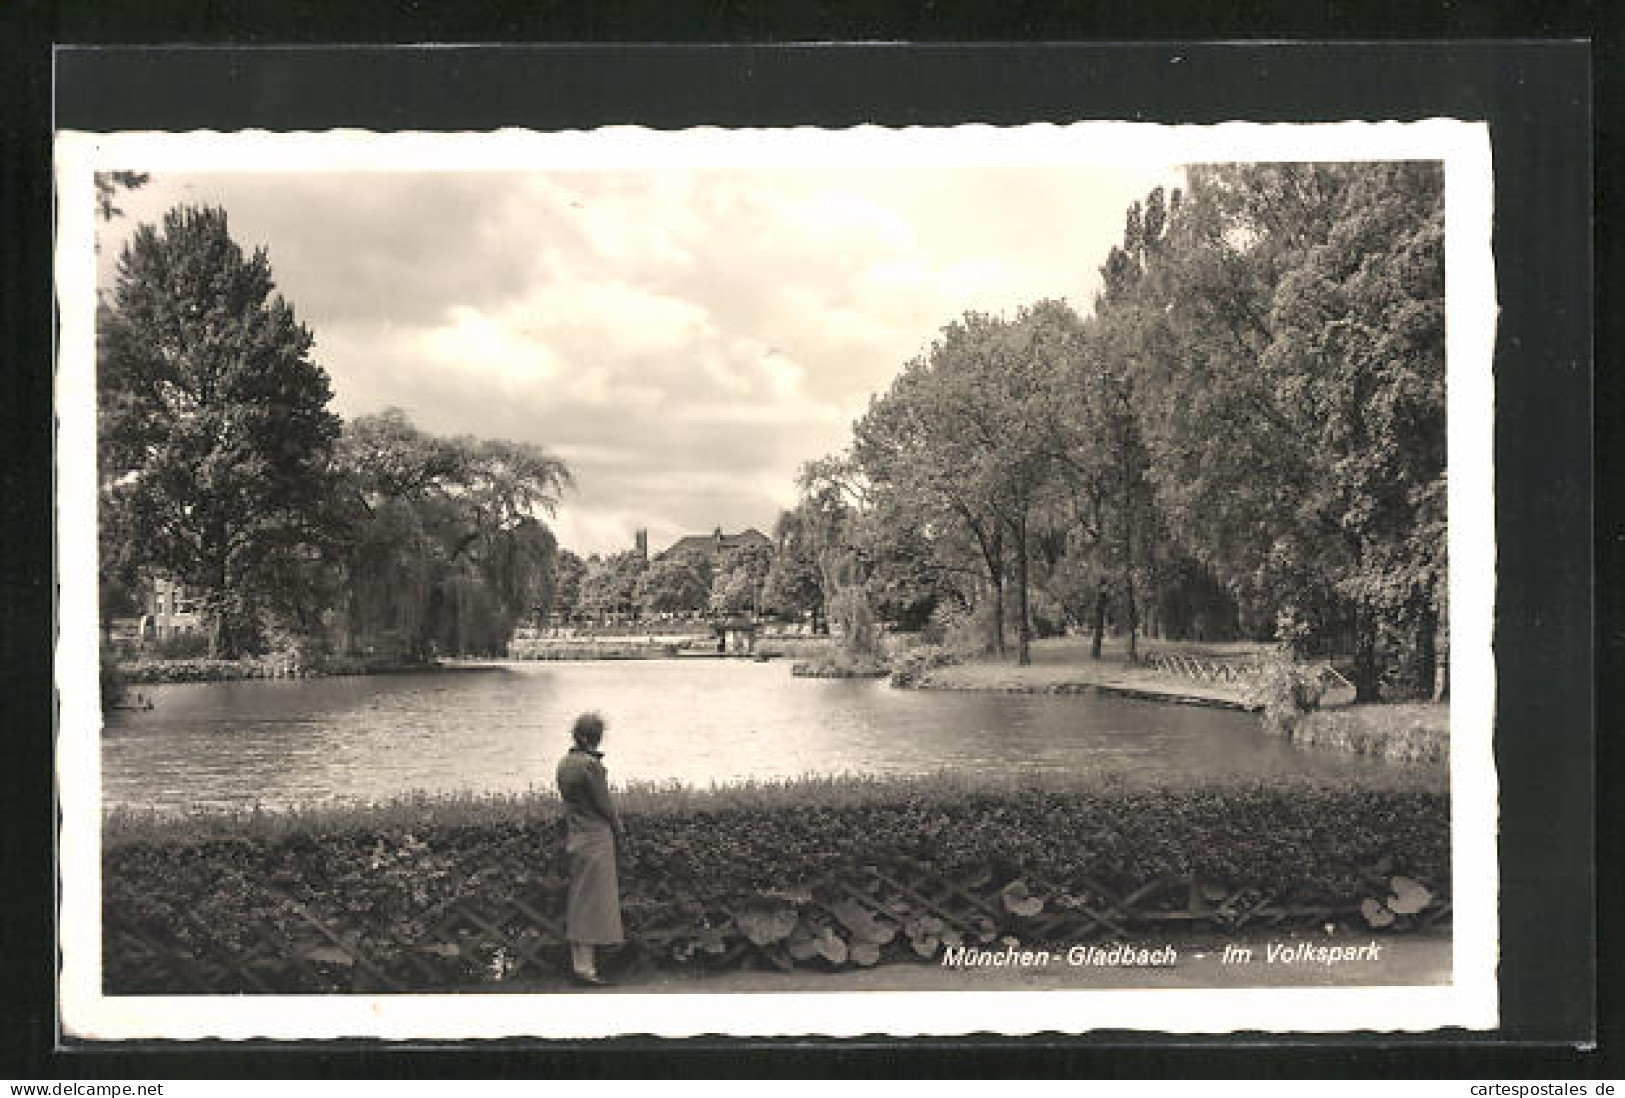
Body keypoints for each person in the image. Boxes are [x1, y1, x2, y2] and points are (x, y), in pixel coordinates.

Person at [555, 711, 625, 985]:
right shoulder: (591, 766)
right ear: (592, 738)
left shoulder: (564, 763)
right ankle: (586, 969)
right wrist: (619, 829)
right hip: (597, 838)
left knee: (580, 901)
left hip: (576, 837)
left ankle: (582, 964)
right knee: (594, 904)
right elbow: (604, 804)